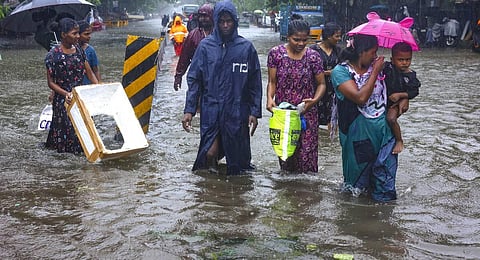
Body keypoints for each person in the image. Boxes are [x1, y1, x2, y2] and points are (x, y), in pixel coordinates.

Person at [182, 0, 263, 175]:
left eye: (229, 21)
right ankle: (212, 194)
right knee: (209, 153)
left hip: (237, 110)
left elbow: (255, 83)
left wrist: (254, 112)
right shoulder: (205, 47)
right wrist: (189, 109)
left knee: (238, 162)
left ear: (235, 21)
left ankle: (232, 196)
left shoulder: (246, 48)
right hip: (211, 108)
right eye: (221, 21)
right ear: (216, 21)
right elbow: (194, 79)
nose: (225, 25)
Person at [331, 34, 399, 202]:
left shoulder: (383, 69)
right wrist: (375, 72)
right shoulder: (340, 72)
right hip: (357, 137)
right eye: (372, 52)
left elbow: (401, 88)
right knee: (356, 190)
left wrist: (403, 101)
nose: (376, 57)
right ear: (361, 52)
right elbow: (360, 98)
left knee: (385, 185)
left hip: (384, 134)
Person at [266, 18, 326, 173]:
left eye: (304, 40)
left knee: (307, 157)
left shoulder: (313, 57)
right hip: (283, 114)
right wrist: (269, 99)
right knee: (285, 156)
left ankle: (306, 193)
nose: (300, 44)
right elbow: (272, 82)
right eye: (296, 40)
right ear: (288, 37)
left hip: (307, 113)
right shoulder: (276, 54)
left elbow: (321, 84)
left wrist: (314, 101)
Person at [44, 18, 98, 153]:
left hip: (80, 97)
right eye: (74, 33)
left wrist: (98, 88)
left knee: (84, 130)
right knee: (65, 132)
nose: (78, 36)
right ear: (63, 34)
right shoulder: (53, 55)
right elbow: (51, 82)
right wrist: (65, 94)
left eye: (78, 33)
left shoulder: (79, 50)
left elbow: (90, 72)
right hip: (64, 100)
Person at [383, 42, 420, 154]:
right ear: (392, 59)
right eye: (400, 60)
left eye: (408, 60)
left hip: (397, 103)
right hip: (385, 100)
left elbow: (414, 91)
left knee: (391, 119)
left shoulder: (410, 75)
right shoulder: (388, 68)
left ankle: (399, 140)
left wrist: (402, 96)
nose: (404, 63)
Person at [309, 22, 342, 129]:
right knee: (315, 122)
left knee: (332, 122)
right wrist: (327, 73)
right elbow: (307, 71)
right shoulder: (313, 51)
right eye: (336, 36)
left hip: (334, 91)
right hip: (316, 90)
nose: (339, 39)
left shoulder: (338, 51)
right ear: (328, 36)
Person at [173, 4, 214, 91]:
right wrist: (178, 76)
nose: (203, 19)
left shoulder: (219, 34)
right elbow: (185, 57)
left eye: (206, 16)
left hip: (215, 77)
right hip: (197, 76)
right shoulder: (193, 35)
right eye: (201, 16)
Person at [78, 20, 101, 84]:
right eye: (86, 34)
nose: (89, 36)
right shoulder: (70, 50)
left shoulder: (90, 50)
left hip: (87, 85)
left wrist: (99, 84)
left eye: (90, 34)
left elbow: (95, 70)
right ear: (78, 35)